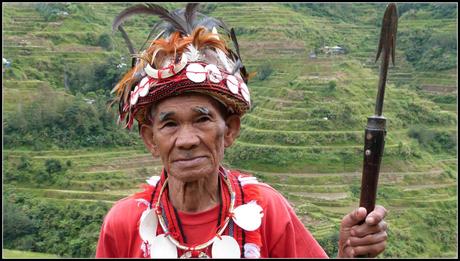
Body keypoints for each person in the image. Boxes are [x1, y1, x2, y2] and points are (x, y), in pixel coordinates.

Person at [96, 3, 388, 258]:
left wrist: (347, 254)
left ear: (230, 129)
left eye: (202, 120)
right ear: (150, 138)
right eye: (169, 124)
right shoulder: (123, 224)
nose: (186, 140)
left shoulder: (267, 211)